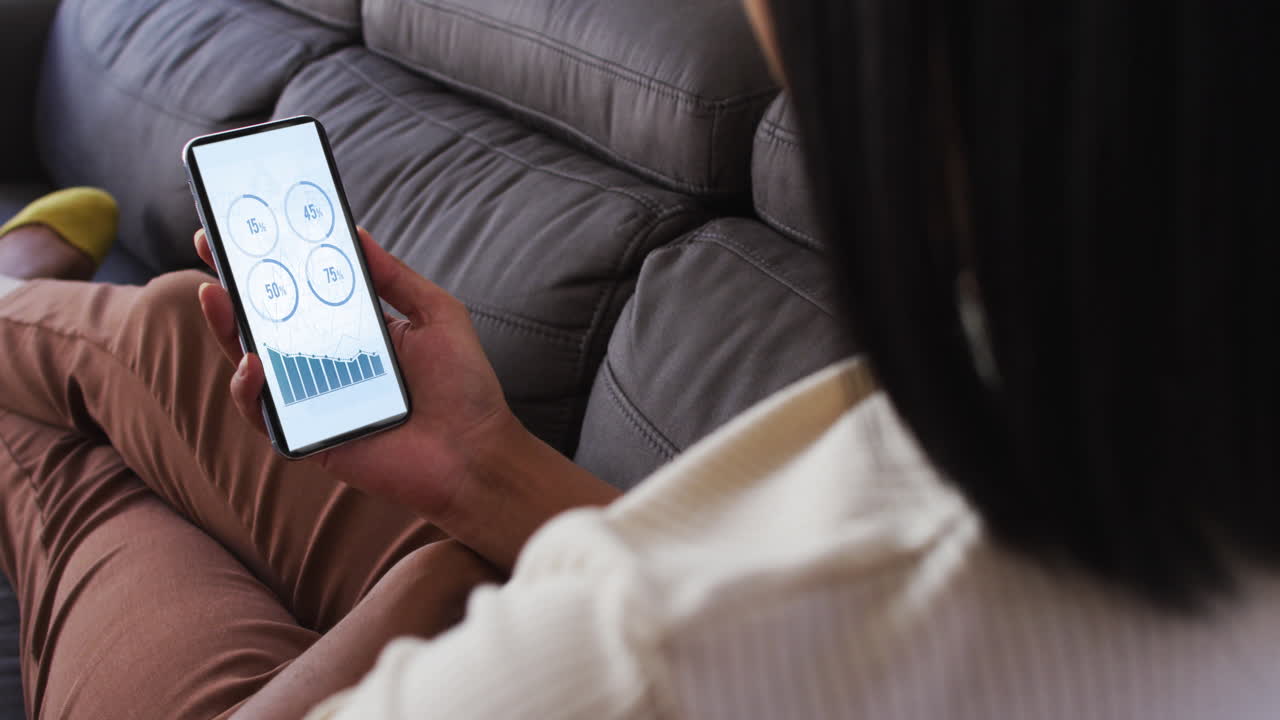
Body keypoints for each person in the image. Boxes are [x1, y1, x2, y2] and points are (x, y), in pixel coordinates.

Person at [2, 0, 1277, 717]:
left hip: (489, 634)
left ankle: (19, 286)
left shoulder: (650, 656)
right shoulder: (1095, 387)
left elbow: (743, 613)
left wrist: (453, 607)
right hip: (515, 561)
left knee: (58, 470)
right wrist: (487, 472)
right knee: (171, 325)